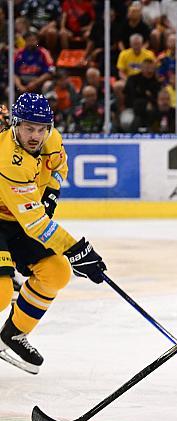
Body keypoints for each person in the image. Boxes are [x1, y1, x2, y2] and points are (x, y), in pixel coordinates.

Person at [0, 93, 106, 374]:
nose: (35, 135)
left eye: (41, 129)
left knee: (57, 272)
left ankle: (13, 334)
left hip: (17, 219)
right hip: (8, 218)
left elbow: (60, 169)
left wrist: (51, 194)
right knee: (0, 292)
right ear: (15, 125)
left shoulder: (52, 140)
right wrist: (77, 250)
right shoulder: (9, 160)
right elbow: (35, 224)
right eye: (28, 129)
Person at [14, 30, 55, 94]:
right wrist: (20, 86)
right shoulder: (18, 53)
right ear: (25, 41)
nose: (31, 43)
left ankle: (44, 104)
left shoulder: (44, 52)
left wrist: (35, 83)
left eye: (33, 40)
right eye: (29, 40)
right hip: (21, 81)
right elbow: (13, 73)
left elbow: (50, 71)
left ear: (37, 41)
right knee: (9, 89)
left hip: (38, 81)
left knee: (48, 85)